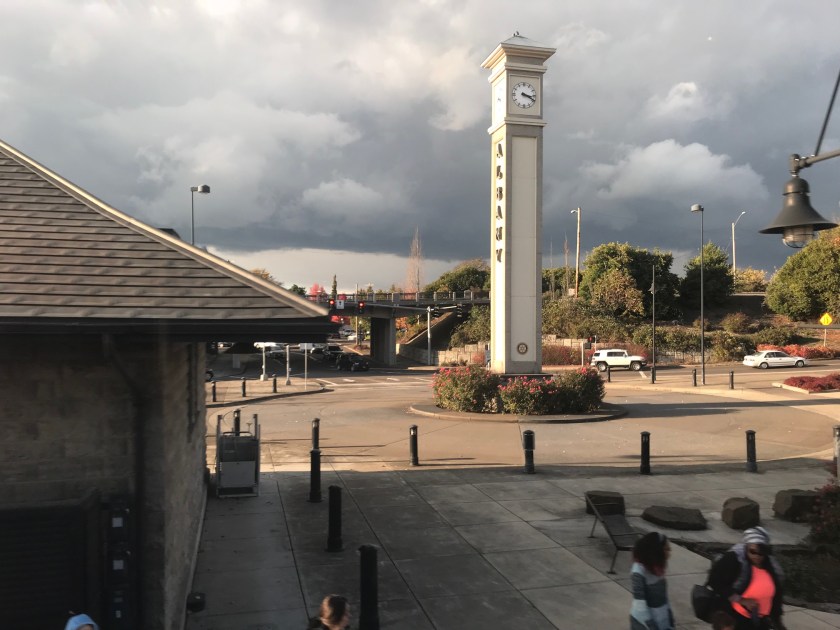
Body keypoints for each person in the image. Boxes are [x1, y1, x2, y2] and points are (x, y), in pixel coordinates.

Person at [707, 526, 787, 630]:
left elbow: (777, 594)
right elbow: (715, 581)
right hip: (734, 618)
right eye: (753, 551)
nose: (757, 556)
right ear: (746, 547)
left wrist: (777, 621)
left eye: (761, 552)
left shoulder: (771, 565)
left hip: (760, 619)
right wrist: (741, 600)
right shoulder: (734, 559)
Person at [630, 532, 674, 630]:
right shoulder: (638, 571)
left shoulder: (657, 568)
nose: (670, 552)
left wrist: (670, 618)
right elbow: (640, 603)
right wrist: (650, 626)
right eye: (666, 549)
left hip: (661, 618)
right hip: (643, 623)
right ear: (656, 550)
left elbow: (664, 597)